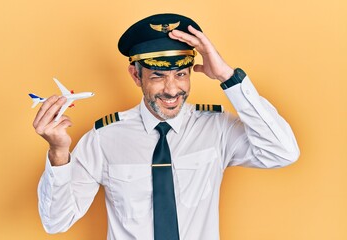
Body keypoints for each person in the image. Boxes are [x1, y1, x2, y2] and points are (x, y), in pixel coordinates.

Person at [34, 13, 300, 240]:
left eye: (181, 74)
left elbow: (283, 152)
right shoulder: (104, 138)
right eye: (158, 76)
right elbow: (56, 221)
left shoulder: (217, 128)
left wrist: (227, 77)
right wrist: (58, 153)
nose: (172, 90)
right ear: (136, 75)